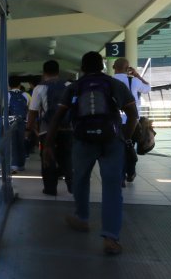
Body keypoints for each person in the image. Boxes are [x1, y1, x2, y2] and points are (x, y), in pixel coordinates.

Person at [47, 51, 138, 255]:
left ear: (82, 68)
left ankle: (82, 218)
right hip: (112, 140)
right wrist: (125, 138)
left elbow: (56, 117)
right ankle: (110, 238)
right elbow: (133, 116)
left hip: (82, 140)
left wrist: (48, 145)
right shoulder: (115, 85)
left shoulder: (75, 87)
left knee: (80, 179)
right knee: (112, 187)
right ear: (103, 67)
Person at [27, 60, 72, 196]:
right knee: (68, 156)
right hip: (68, 128)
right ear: (58, 71)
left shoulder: (39, 88)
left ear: (44, 72)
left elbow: (33, 110)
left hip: (47, 129)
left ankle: (50, 188)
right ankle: (72, 184)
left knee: (47, 157)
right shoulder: (69, 85)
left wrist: (29, 128)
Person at [111, 58, 150, 184]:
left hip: (114, 122)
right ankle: (131, 172)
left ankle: (120, 176)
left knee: (116, 149)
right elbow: (148, 88)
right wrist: (137, 75)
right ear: (128, 68)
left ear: (113, 67)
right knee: (129, 146)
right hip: (132, 121)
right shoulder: (134, 80)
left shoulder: (109, 81)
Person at [7, 77, 30, 173]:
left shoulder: (7, 95)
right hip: (23, 122)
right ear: (20, 85)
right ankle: (21, 164)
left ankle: (14, 165)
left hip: (10, 122)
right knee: (21, 143)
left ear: (9, 85)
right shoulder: (26, 95)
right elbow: (30, 109)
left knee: (12, 143)